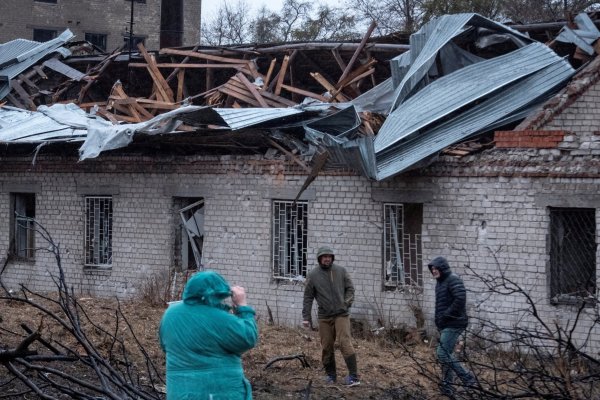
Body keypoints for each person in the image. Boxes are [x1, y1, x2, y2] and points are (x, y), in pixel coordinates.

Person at [159, 270, 258, 400]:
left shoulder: (170, 314)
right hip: (217, 392)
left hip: (180, 392)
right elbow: (248, 337)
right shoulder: (219, 319)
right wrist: (242, 307)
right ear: (214, 296)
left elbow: (164, 345)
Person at [302, 246, 360, 386]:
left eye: (329, 256)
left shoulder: (341, 271)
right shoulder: (313, 275)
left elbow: (350, 289)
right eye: (324, 256)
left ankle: (354, 376)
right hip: (324, 316)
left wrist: (346, 304)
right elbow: (308, 297)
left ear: (332, 258)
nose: (327, 258)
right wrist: (306, 317)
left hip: (341, 314)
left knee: (344, 342)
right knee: (327, 345)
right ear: (319, 258)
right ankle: (331, 376)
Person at [428, 256, 477, 398]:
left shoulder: (453, 279)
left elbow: (460, 299)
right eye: (432, 269)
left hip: (454, 323)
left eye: (436, 268)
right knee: (447, 355)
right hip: (446, 323)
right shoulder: (440, 282)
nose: (434, 271)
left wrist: (445, 316)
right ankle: (447, 387)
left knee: (442, 353)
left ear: (442, 268)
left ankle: (467, 377)